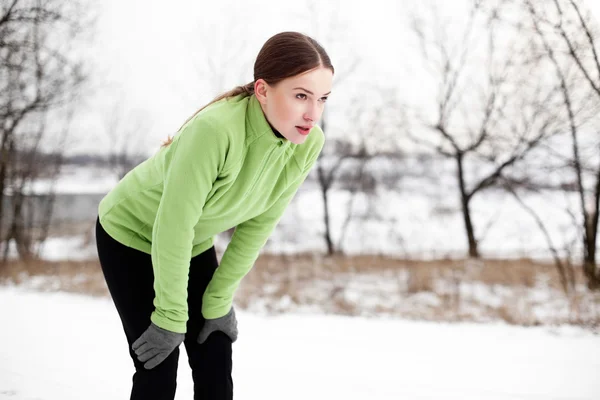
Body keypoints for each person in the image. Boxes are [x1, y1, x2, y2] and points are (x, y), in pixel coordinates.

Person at [94, 31, 334, 400]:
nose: (312, 113)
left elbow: (259, 224)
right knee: (159, 362)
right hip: (129, 234)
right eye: (301, 95)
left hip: (190, 239)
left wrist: (219, 298)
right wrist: (172, 316)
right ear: (263, 90)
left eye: (321, 99)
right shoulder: (215, 131)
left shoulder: (307, 144)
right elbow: (173, 225)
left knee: (215, 351)